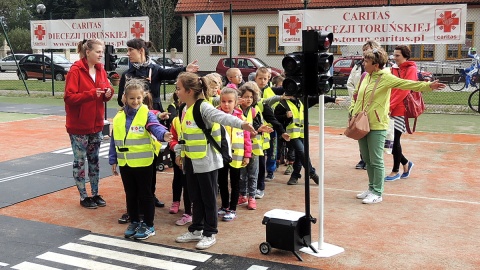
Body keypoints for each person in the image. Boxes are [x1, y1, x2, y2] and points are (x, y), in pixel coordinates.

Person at [350, 48, 446, 204]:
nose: (363, 63)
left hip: (377, 124)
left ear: (376, 64)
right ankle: (371, 187)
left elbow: (406, 84)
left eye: (366, 61)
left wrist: (428, 86)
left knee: (376, 160)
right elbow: (357, 96)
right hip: (361, 124)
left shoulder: (386, 77)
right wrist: (352, 112)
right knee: (367, 159)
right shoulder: (366, 76)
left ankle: (377, 192)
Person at [174, 72, 256, 250]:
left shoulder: (203, 107)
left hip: (207, 161)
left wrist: (242, 124)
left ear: (189, 91)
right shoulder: (185, 108)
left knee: (209, 198)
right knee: (196, 197)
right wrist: (179, 153)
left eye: (178, 88)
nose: (176, 92)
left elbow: (222, 117)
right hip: (191, 161)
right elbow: (184, 136)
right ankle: (196, 229)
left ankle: (210, 233)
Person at [109, 79, 173, 240]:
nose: (135, 101)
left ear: (143, 97)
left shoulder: (146, 113)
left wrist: (164, 135)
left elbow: (155, 126)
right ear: (124, 97)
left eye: (138, 98)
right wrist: (113, 159)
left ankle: (149, 225)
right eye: (132, 98)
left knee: (145, 193)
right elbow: (114, 139)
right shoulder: (119, 116)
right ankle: (135, 221)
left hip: (144, 162)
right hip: (125, 162)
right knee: (130, 194)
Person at [64, 39, 114, 209]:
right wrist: (91, 94)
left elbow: (107, 90)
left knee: (94, 160)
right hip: (79, 126)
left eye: (102, 52)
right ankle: (83, 196)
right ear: (88, 52)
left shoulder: (101, 70)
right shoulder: (75, 71)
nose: (101, 55)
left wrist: (108, 93)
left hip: (96, 124)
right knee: (79, 161)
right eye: (98, 51)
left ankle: (95, 193)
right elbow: (69, 98)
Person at [117, 38, 199, 111]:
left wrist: (185, 69)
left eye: (130, 50)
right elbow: (120, 101)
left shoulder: (155, 69)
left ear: (141, 51)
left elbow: (169, 73)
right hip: (134, 114)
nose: (127, 53)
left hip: (155, 112)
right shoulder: (127, 74)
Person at [217, 87, 252, 221]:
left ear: (236, 102)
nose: (226, 104)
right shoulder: (216, 116)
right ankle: (225, 205)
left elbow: (247, 138)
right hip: (221, 155)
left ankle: (232, 209)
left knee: (235, 182)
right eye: (223, 101)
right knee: (222, 181)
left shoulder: (241, 117)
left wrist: (247, 155)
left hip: (237, 155)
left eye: (230, 101)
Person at [237, 82, 273, 209]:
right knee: (241, 174)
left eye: (251, 97)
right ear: (239, 97)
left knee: (253, 173)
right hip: (239, 148)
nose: (248, 99)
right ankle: (243, 195)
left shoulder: (254, 112)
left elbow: (257, 126)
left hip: (254, 148)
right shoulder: (235, 111)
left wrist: (260, 130)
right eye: (246, 96)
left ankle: (252, 197)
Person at [346, 40, 382, 170]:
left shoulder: (382, 67)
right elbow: (350, 84)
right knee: (359, 131)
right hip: (358, 105)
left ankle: (373, 160)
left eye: (368, 50)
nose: (365, 53)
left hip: (373, 108)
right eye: (364, 50)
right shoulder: (357, 66)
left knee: (372, 134)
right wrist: (356, 99)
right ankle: (363, 159)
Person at [386, 45, 417, 181]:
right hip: (390, 107)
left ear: (405, 56)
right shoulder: (392, 69)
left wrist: (390, 106)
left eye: (397, 55)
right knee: (389, 140)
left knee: (394, 140)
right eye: (394, 55)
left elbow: (404, 89)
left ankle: (395, 171)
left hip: (400, 109)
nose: (394, 57)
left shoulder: (411, 69)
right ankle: (406, 163)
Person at [168, 97, 193, 226]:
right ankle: (183, 208)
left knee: (194, 186)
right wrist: (177, 150)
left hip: (196, 158)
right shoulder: (176, 121)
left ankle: (195, 212)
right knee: (181, 180)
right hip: (181, 157)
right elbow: (173, 139)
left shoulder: (197, 119)